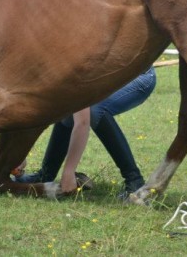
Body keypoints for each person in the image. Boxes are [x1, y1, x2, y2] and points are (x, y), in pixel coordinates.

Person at [15, 67, 157, 198]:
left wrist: (69, 171)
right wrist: (21, 153)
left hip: (138, 76)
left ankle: (135, 182)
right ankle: (46, 175)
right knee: (66, 107)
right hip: (109, 76)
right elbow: (41, 110)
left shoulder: (74, 62)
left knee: (95, 111)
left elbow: (82, 121)